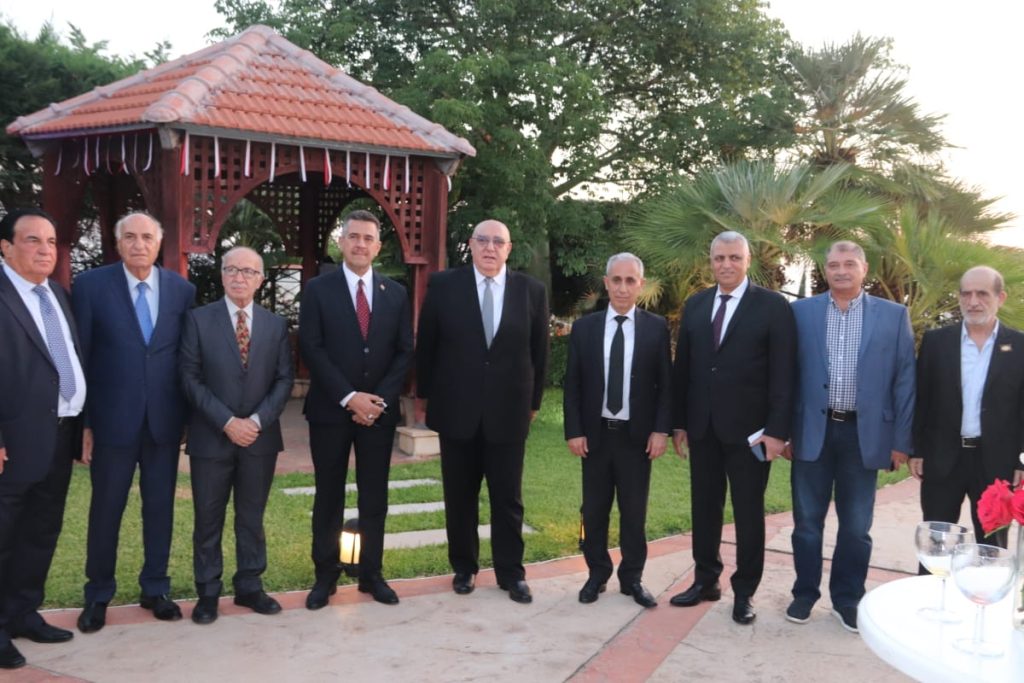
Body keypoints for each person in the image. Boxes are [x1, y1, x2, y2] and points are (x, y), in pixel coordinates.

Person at [72, 211, 196, 633]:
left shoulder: (182, 290)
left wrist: (187, 419)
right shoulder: (91, 286)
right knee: (106, 509)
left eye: (146, 237)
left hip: (164, 424)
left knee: (159, 509)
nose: (138, 244)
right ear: (117, 242)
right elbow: (82, 357)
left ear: (159, 244)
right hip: (111, 423)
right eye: (130, 237)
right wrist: (86, 424)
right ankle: (97, 594)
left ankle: (155, 588)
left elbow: (185, 359)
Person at [416, 219, 549, 604]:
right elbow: (427, 344)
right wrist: (425, 397)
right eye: (483, 240)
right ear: (471, 245)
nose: (490, 248)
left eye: (498, 242)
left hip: (509, 413)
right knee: (460, 496)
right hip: (456, 411)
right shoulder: (444, 285)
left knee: (508, 498)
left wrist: (534, 402)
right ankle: (464, 567)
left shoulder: (531, 291)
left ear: (509, 249)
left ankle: (511, 573)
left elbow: (539, 352)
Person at [785, 241, 915, 633]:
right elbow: (786, 376)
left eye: (849, 264)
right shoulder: (800, 312)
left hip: (865, 434)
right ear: (825, 270)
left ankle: (848, 599)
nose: (841, 271)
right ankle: (804, 593)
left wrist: (901, 442)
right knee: (806, 523)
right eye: (833, 265)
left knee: (856, 527)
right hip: (812, 432)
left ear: (864, 268)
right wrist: (784, 432)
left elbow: (905, 381)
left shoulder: (893, 316)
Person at [669, 230, 796, 624]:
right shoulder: (696, 305)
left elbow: (784, 373)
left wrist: (777, 431)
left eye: (734, 257)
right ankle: (706, 580)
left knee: (748, 514)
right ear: (711, 261)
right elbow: (683, 369)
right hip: (703, 428)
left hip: (751, 434)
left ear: (747, 260)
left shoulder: (773, 306)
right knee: (704, 509)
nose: (726, 264)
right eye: (719, 258)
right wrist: (679, 423)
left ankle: (745, 592)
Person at [299, 210, 413, 609]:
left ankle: (372, 574)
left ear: (378, 247)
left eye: (368, 238)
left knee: (374, 497)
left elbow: (404, 351)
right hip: (330, 412)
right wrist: (350, 397)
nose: (360, 244)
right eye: (353, 236)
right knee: (328, 496)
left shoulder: (395, 293)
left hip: (378, 415)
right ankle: (325, 576)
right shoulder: (318, 289)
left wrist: (377, 401)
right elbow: (312, 347)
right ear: (341, 242)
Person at [179, 247, 294, 624]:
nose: (239, 277)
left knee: (251, 517)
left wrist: (256, 422)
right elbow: (189, 378)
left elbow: (284, 379)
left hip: (260, 440)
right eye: (231, 270)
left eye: (248, 271)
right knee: (207, 518)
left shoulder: (275, 325)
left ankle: (249, 586)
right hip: (211, 437)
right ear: (222, 275)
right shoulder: (198, 320)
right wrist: (227, 421)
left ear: (260, 279)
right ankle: (208, 592)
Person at [0, 209, 85, 669]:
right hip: (11, 441)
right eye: (32, 240)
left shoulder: (57, 294)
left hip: (59, 434)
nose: (45, 250)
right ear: (6, 247)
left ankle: (22, 612)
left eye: (51, 242)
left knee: (40, 530)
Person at [563, 253, 670, 608]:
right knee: (593, 511)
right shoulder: (586, 328)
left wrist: (661, 430)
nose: (623, 287)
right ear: (606, 283)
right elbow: (573, 384)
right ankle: (597, 573)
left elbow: (665, 385)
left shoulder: (656, 327)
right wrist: (574, 430)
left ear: (640, 285)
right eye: (617, 280)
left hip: (636, 438)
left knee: (634, 512)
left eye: (630, 280)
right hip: (595, 436)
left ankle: (632, 577)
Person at [912, 266, 1024, 547]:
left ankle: (987, 579)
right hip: (942, 459)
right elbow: (922, 398)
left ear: (1000, 298)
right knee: (935, 544)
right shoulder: (937, 342)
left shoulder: (1020, 346)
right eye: (966, 294)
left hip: (997, 463)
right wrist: (917, 450)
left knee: (993, 547)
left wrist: (1021, 461)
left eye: (982, 294)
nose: (973, 301)